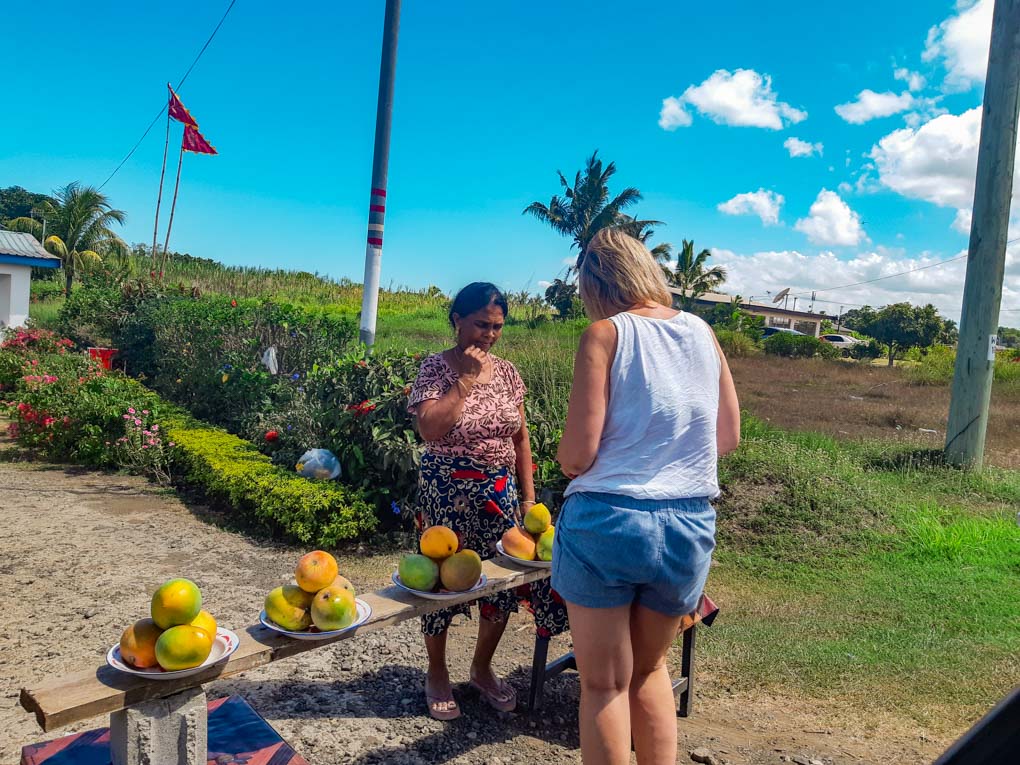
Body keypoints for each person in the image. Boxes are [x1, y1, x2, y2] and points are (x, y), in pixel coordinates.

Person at [552, 229, 741, 764]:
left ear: (594, 283)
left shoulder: (605, 335)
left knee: (604, 685)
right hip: (687, 524)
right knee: (651, 669)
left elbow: (577, 456)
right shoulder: (703, 333)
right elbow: (726, 437)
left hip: (608, 522)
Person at [407, 282, 537, 721]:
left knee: (503, 581)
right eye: (481, 324)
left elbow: (520, 437)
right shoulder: (435, 369)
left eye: (497, 326)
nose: (489, 334)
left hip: (500, 492)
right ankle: (437, 672)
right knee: (441, 582)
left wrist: (528, 497)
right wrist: (462, 380)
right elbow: (429, 429)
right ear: (457, 320)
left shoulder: (508, 372)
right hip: (448, 492)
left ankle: (482, 669)